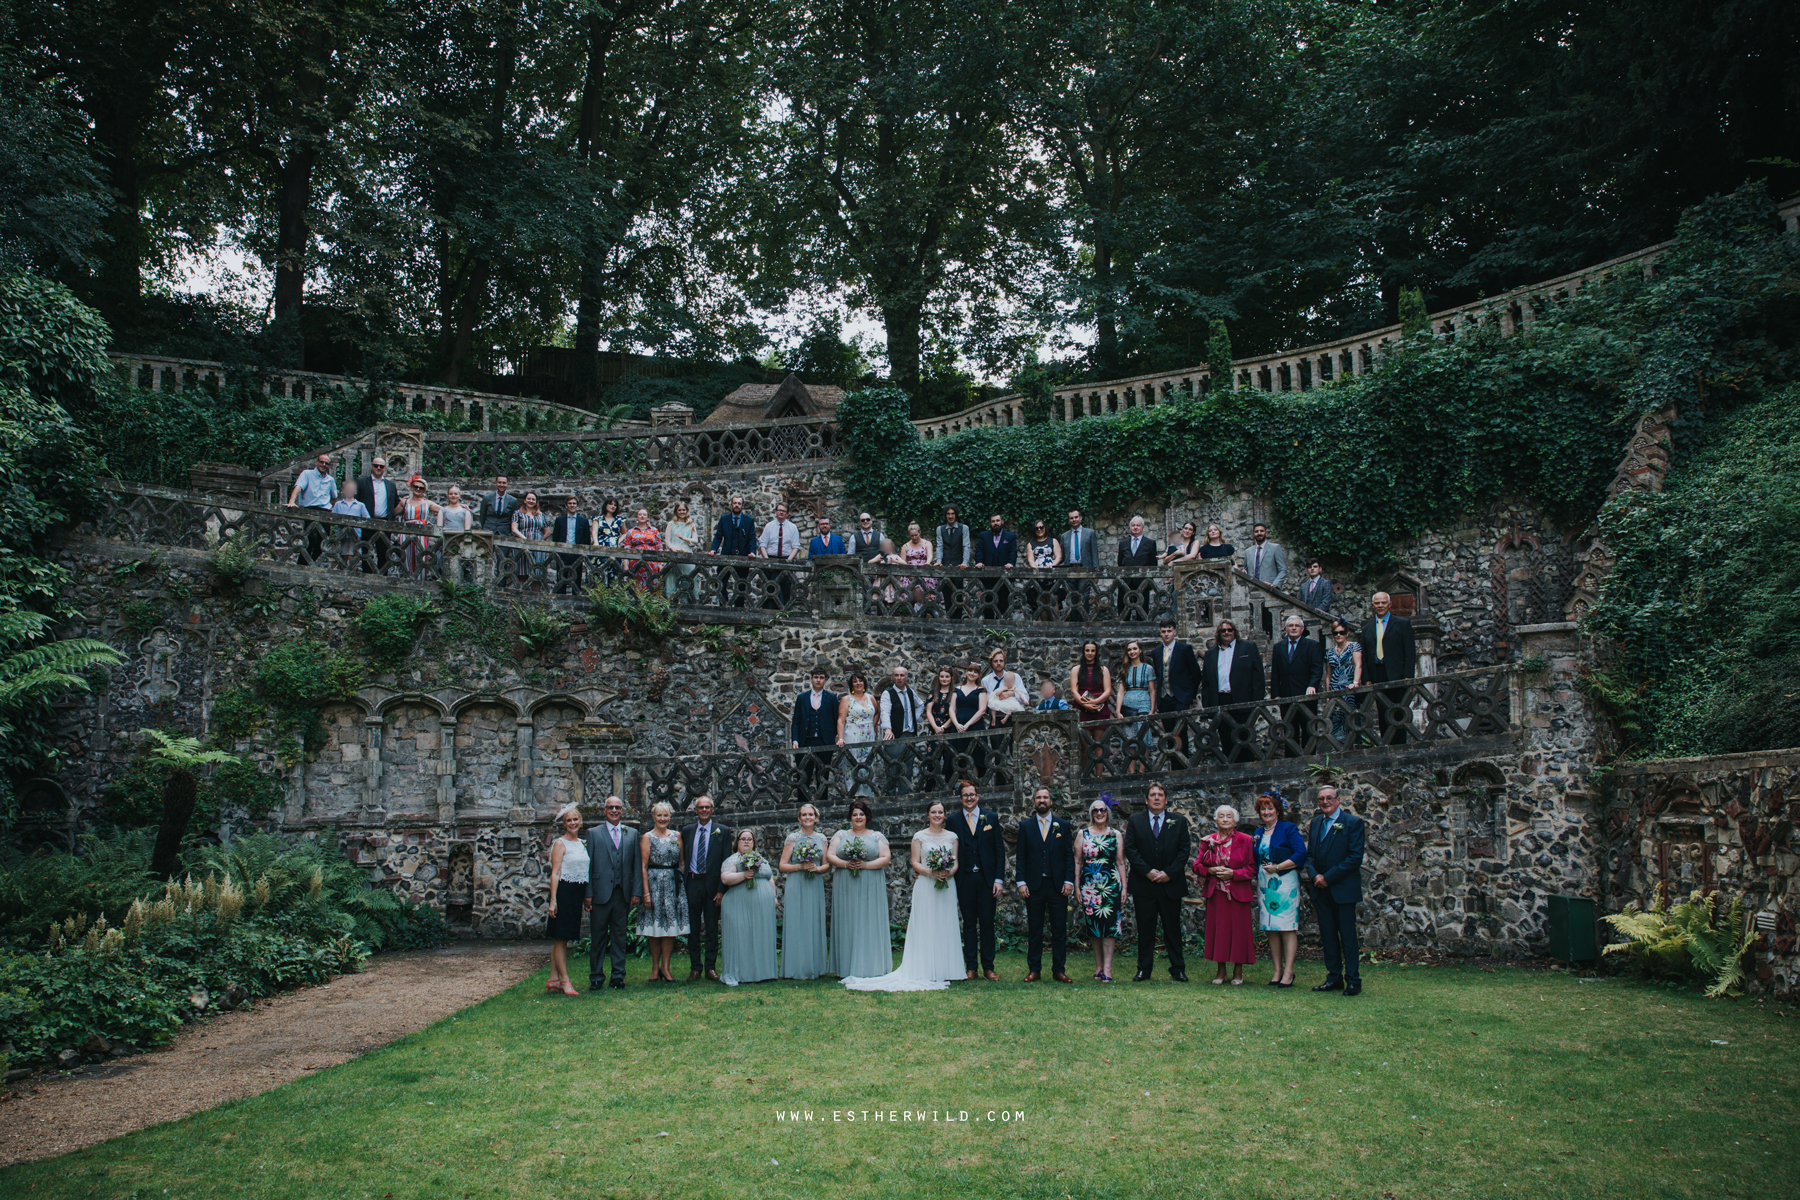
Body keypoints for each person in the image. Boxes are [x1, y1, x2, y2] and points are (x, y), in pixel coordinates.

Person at [842, 800, 964, 991]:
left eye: (940, 812)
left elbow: (955, 862)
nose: (937, 815)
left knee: (946, 922)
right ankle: (925, 968)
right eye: (934, 812)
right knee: (926, 925)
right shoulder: (919, 836)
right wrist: (932, 873)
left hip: (947, 884)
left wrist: (948, 872)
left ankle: (948, 969)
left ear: (945, 815)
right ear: (927, 815)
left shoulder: (953, 837)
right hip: (926, 884)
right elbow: (915, 863)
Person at [1124, 782, 1189, 982]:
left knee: (1173, 928)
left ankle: (1178, 968)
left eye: (1160, 794)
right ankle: (1144, 969)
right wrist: (1148, 872)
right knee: (1145, 929)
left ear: (1166, 800)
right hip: (1145, 885)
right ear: (1146, 800)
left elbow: (1184, 850)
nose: (1157, 798)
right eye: (1153, 795)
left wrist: (1169, 873)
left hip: (1171, 884)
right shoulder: (1135, 820)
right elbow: (1131, 849)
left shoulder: (1178, 821)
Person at [1307, 785, 1366, 996]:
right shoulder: (1315, 823)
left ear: (1338, 800)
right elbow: (1309, 855)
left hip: (1342, 889)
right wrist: (1315, 876)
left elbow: (1354, 858)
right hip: (1320, 889)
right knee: (1328, 936)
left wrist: (1328, 878)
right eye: (1321, 798)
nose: (1325, 802)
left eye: (1329, 798)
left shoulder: (1353, 823)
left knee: (1347, 936)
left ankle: (1353, 980)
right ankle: (1333, 978)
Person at [945, 780, 1005, 981]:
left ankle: (989, 967)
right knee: (969, 923)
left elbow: (999, 851)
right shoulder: (952, 820)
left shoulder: (991, 818)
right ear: (960, 798)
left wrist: (999, 879)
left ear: (977, 797)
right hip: (964, 879)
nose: (969, 798)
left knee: (987, 923)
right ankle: (971, 967)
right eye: (965, 795)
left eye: (972, 794)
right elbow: (945, 848)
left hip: (987, 879)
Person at [1015, 786, 1075, 983]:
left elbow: (1068, 855)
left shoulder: (1063, 826)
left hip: (1058, 885)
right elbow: (1021, 856)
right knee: (1035, 929)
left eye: (1045, 797)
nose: (1042, 800)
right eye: (1038, 797)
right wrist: (1021, 882)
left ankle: (1059, 969)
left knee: (1059, 929)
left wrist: (1069, 881)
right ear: (1034, 801)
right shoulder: (1026, 826)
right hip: (1034, 885)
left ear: (1051, 801)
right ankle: (1034, 969)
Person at [827, 799, 893, 979]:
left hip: (870, 883)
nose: (858, 817)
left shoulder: (877, 836)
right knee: (847, 921)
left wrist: (865, 865)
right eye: (855, 814)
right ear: (850, 816)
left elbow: (886, 858)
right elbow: (830, 855)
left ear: (867, 816)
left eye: (861, 814)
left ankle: (872, 965)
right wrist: (845, 864)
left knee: (868, 921)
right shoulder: (840, 835)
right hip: (845, 883)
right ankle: (846, 967)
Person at [582, 795, 642, 991]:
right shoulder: (593, 833)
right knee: (598, 937)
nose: (614, 811)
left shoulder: (632, 833)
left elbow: (636, 866)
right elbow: (588, 866)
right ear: (604, 809)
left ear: (622, 810)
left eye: (617, 807)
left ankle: (618, 976)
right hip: (600, 893)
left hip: (622, 894)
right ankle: (597, 977)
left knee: (619, 936)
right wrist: (588, 893)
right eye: (610, 808)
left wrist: (636, 892)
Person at [1194, 803, 1255, 984]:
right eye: (1222, 816)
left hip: (1238, 892)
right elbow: (1196, 866)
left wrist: (1233, 874)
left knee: (1239, 931)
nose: (1225, 819)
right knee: (1218, 931)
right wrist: (1211, 871)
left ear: (1235, 821)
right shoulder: (1208, 841)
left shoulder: (1246, 840)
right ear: (1216, 820)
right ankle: (1221, 971)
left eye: (1229, 816)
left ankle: (1238, 971)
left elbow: (1252, 868)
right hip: (1217, 893)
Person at [1252, 792, 1307, 988]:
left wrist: (1278, 867)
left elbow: (1301, 853)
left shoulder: (1288, 828)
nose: (1266, 812)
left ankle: (1289, 971)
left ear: (1277, 810)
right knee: (1271, 928)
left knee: (1286, 926)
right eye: (1263, 809)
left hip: (1285, 883)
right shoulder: (1258, 833)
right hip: (1265, 884)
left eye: (1270, 808)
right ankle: (1277, 970)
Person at [679, 795, 732, 982]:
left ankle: (710, 967)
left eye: (707, 807)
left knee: (711, 928)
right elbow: (683, 858)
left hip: (712, 885)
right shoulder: (686, 831)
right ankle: (695, 967)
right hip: (693, 882)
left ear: (712, 809)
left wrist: (721, 890)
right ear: (695, 810)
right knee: (692, 928)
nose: (704, 810)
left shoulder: (722, 831)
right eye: (700, 807)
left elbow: (726, 862)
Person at [636, 801, 688, 983]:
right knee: (654, 927)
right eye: (659, 815)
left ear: (670, 817)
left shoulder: (677, 836)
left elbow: (682, 863)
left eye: (666, 815)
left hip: (673, 885)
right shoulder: (647, 837)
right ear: (653, 817)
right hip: (654, 884)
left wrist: (682, 886)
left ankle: (666, 968)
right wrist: (646, 893)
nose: (663, 819)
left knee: (670, 928)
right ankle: (654, 967)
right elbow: (642, 866)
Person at [718, 830, 779, 985]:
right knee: (742, 937)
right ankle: (741, 973)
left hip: (762, 907)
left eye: (749, 839)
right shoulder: (733, 859)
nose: (746, 842)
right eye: (743, 839)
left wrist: (773, 897)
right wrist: (743, 875)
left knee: (760, 937)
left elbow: (769, 877)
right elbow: (725, 878)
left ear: (754, 842)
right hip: (739, 905)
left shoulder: (760, 859)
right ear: (737, 842)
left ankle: (762, 972)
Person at [1078, 797, 1128, 981]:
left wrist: (1124, 888)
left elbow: (1121, 862)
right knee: (1094, 926)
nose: (1099, 813)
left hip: (1110, 885)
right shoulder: (1083, 834)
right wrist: (1076, 887)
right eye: (1096, 810)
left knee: (1110, 926)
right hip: (1089, 886)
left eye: (1103, 810)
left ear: (1108, 813)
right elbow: (1077, 861)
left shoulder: (1116, 835)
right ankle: (1098, 967)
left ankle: (1107, 968)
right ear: (1091, 814)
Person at [778, 804, 830, 979]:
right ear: (799, 818)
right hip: (797, 882)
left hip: (814, 882)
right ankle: (795, 967)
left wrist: (818, 869)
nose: (807, 817)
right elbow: (782, 865)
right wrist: (800, 866)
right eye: (804, 815)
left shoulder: (822, 838)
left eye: (811, 814)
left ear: (816, 818)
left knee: (813, 921)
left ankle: (815, 966)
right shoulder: (793, 838)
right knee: (797, 921)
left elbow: (827, 864)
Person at [1202, 619, 1265, 763]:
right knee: (1226, 739)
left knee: (1245, 737)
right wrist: (1208, 706)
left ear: (1234, 632)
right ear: (1219, 633)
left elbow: (1258, 677)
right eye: (1223, 630)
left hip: (1243, 700)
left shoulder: (1248, 647)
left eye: (1229, 630)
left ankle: (1248, 771)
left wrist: (1255, 702)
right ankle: (1230, 771)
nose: (1227, 633)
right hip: (1221, 700)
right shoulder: (1211, 654)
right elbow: (1206, 682)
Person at [1360, 591, 1417, 744]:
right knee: (1383, 712)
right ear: (1372, 605)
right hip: (1377, 674)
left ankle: (1401, 747)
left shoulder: (1402, 624)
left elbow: (1410, 652)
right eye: (1377, 603)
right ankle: (1387, 746)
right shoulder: (1367, 629)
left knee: (1399, 711)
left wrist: (1408, 676)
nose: (1380, 606)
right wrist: (1366, 679)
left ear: (1389, 604)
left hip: (1397, 674)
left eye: (1383, 602)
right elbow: (1364, 656)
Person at [545, 804, 588, 995]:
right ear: (564, 823)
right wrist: (553, 900)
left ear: (580, 821)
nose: (573, 823)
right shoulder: (560, 844)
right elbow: (555, 873)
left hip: (577, 892)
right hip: (563, 891)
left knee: (562, 938)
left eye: (575, 819)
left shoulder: (582, 843)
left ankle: (553, 979)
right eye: (569, 820)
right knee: (561, 938)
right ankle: (565, 981)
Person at [1269, 614, 1324, 753]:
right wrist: (1276, 694)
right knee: (1289, 730)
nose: (1294, 628)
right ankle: (1291, 761)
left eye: (1297, 626)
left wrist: (1312, 686)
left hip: (1307, 695)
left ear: (1302, 628)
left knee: (1308, 729)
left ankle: (1310, 759)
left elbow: (1317, 669)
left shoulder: (1312, 645)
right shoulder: (1278, 647)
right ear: (1285, 628)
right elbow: (1275, 673)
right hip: (1287, 696)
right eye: (1290, 625)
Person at [790, 667, 839, 802]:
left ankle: (823, 804)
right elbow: (796, 721)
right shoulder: (802, 698)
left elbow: (837, 719)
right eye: (816, 677)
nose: (818, 680)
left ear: (825, 680)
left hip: (824, 742)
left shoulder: (832, 698)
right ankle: (802, 806)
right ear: (811, 679)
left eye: (821, 677)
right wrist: (795, 739)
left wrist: (833, 737)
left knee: (822, 775)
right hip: (805, 741)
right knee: (803, 775)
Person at [287, 452, 337, 563]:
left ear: (329, 466)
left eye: (326, 463)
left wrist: (330, 508)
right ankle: (302, 565)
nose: (323, 464)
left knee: (322, 542)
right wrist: (291, 501)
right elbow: (298, 487)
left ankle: (314, 565)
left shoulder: (330, 480)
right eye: (321, 462)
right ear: (317, 462)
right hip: (310, 510)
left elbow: (334, 497)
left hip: (325, 512)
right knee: (310, 539)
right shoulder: (307, 474)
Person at [354, 456, 399, 574]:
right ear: (371, 466)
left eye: (381, 466)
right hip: (367, 522)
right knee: (366, 550)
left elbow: (396, 503)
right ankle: (367, 576)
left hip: (384, 522)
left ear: (385, 468)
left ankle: (382, 577)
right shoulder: (361, 482)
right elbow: (356, 501)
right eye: (376, 466)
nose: (378, 468)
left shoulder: (390, 485)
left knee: (384, 552)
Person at [711, 493, 757, 608]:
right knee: (721, 582)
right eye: (735, 503)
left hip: (742, 556)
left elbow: (752, 538)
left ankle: (739, 608)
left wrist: (752, 551)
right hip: (726, 555)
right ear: (731, 505)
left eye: (739, 503)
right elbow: (718, 536)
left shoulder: (748, 521)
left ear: (742, 506)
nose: (737, 505)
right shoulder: (724, 519)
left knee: (741, 585)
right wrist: (713, 550)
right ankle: (724, 606)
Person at [836, 671, 878, 795]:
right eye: (855, 681)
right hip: (852, 735)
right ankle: (853, 795)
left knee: (868, 765)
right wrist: (840, 738)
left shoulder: (870, 697)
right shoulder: (846, 699)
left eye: (860, 681)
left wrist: (871, 726)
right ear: (851, 685)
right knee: (852, 766)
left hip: (868, 737)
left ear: (864, 682)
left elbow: (876, 713)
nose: (858, 683)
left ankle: (867, 795)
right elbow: (841, 720)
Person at [1115, 640, 1156, 767]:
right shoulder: (1124, 670)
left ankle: (1143, 771)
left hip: (1143, 702)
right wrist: (1117, 710)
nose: (1132, 652)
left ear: (1140, 650)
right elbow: (1121, 692)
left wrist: (1152, 710)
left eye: (1134, 649)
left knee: (1143, 739)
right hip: (1128, 705)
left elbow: (1152, 690)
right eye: (1129, 650)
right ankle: (1131, 771)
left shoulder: (1148, 668)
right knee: (1130, 739)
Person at [1324, 619, 1364, 743]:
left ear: (1347, 633)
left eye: (1342, 632)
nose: (1339, 635)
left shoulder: (1354, 646)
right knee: (1336, 720)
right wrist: (1328, 693)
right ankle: (1339, 749)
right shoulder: (1330, 652)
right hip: (1335, 689)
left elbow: (1358, 665)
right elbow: (1328, 675)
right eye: (1335, 633)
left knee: (1352, 719)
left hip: (1349, 687)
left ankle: (1354, 748)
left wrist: (1356, 682)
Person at [1152, 619, 1201, 716]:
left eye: (1169, 631)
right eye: (1163, 631)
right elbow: (1158, 674)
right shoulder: (1156, 652)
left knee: (1181, 729)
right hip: (1164, 699)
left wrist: (1189, 695)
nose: (1166, 634)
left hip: (1181, 698)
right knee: (1168, 729)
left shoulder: (1184, 649)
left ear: (1175, 632)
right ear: (1160, 633)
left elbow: (1196, 674)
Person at [972, 513, 1017, 619]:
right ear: (990, 523)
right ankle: (988, 630)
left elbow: (1013, 552)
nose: (995, 523)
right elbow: (979, 550)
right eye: (993, 521)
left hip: (1004, 576)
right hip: (988, 577)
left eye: (997, 520)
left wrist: (1011, 563)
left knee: (1003, 604)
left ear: (1002, 521)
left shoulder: (1010, 537)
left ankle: (1002, 630)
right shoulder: (984, 536)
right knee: (987, 603)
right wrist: (979, 562)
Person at [758, 501, 802, 608]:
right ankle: (768, 613)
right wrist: (767, 560)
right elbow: (762, 544)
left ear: (787, 513)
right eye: (779, 510)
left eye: (784, 511)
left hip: (786, 560)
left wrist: (788, 561)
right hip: (770, 560)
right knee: (769, 588)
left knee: (785, 588)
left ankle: (783, 613)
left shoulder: (792, 527)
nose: (781, 513)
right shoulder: (769, 526)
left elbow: (795, 546)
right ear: (775, 512)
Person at [949, 662, 990, 779]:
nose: (972, 673)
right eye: (970, 671)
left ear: (978, 675)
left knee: (974, 757)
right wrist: (957, 724)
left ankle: (974, 786)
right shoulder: (957, 689)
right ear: (966, 672)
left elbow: (982, 710)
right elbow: (952, 709)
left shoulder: (981, 690)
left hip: (974, 726)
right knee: (960, 757)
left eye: (975, 672)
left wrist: (967, 724)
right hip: (958, 727)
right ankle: (964, 787)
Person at [479, 476, 520, 584]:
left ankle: (501, 586)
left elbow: (513, 518)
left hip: (504, 533)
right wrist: (486, 529)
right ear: (496, 483)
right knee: (484, 559)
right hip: (488, 531)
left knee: (502, 562)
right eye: (499, 482)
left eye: (504, 483)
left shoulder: (512, 500)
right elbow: (482, 516)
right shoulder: (487, 498)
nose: (502, 485)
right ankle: (483, 585)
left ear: (507, 484)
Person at [550, 495, 595, 595]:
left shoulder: (583, 521)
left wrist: (583, 553)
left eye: (574, 503)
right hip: (563, 553)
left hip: (577, 553)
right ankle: (561, 601)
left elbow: (586, 538)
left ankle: (576, 602)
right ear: (566, 506)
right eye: (570, 503)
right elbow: (555, 538)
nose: (572, 505)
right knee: (561, 578)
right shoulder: (559, 520)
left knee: (576, 578)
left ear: (577, 506)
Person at [924, 666, 959, 785]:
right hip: (934, 729)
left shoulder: (955, 693)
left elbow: (954, 712)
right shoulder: (933, 692)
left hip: (949, 729)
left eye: (947, 676)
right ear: (938, 678)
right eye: (942, 676)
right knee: (932, 759)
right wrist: (935, 727)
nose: (944, 679)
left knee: (950, 759)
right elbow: (928, 711)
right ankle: (930, 789)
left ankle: (949, 788)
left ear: (951, 678)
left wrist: (944, 727)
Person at [399, 476, 440, 577]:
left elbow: (444, 510)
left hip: (422, 533)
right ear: (412, 487)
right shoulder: (404, 502)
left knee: (422, 557)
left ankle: (421, 581)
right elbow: (392, 512)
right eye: (415, 486)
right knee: (407, 557)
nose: (418, 489)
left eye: (421, 488)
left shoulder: (427, 503)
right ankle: (408, 581)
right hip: (406, 532)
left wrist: (460, 506)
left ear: (424, 490)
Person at [511, 491, 550, 588]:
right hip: (522, 546)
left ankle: (536, 599)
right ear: (524, 500)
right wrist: (526, 540)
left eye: (533, 499)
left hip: (537, 548)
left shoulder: (541, 515)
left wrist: (539, 540)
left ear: (536, 502)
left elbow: (547, 532)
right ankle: (521, 598)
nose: (531, 501)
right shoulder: (518, 513)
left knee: (537, 573)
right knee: (522, 572)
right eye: (529, 499)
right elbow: (514, 529)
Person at [1070, 639, 1113, 727]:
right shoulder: (1076, 670)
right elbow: (1074, 691)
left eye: (1093, 651)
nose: (1090, 653)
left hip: (1099, 708)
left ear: (1096, 653)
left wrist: (1095, 702)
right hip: (1082, 708)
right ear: (1083, 652)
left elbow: (1108, 691)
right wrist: (1085, 705)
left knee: (1100, 740)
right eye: (1087, 650)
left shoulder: (1104, 670)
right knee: (1083, 739)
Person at [1023, 519, 1061, 617]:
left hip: (1052, 572)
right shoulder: (1030, 544)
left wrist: (1052, 565)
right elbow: (1030, 560)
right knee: (1042, 599)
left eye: (1041, 527)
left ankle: (1055, 625)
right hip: (1038, 573)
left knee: (1053, 598)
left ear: (1045, 528)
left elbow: (1059, 556)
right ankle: (1044, 627)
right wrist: (1036, 569)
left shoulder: (1053, 541)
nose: (1039, 529)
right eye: (1036, 528)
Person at [619, 507, 664, 591]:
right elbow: (627, 548)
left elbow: (659, 547)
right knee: (636, 588)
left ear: (647, 518)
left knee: (652, 586)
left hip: (652, 563)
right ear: (637, 517)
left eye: (644, 515)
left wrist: (661, 563)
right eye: (640, 514)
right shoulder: (631, 531)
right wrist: (626, 564)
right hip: (635, 563)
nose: (642, 516)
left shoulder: (654, 530)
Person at [981, 647, 1028, 726]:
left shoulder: (1015, 677)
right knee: (995, 738)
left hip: (1013, 715)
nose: (998, 663)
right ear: (991, 663)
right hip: (996, 717)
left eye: (1001, 661)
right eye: (995, 661)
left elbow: (1026, 698)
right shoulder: (985, 680)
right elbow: (986, 702)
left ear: (1004, 662)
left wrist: (1011, 694)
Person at [662, 500, 698, 602]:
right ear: (676, 511)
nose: (682, 512)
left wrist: (683, 538)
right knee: (673, 578)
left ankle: (686, 602)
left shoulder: (691, 524)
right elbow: (667, 540)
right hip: (675, 552)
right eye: (679, 510)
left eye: (684, 510)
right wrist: (673, 549)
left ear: (687, 511)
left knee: (687, 578)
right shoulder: (671, 524)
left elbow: (695, 540)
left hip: (687, 553)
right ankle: (672, 602)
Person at [331, 481, 370, 570]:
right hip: (341, 535)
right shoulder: (338, 504)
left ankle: (352, 575)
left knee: (353, 558)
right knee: (342, 556)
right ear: (343, 491)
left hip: (355, 535)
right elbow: (333, 518)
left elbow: (367, 519)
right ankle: (342, 576)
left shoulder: (360, 505)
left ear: (355, 491)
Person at [594, 496, 625, 585]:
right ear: (606, 505)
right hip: (600, 547)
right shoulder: (598, 519)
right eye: (610, 504)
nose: (613, 506)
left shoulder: (619, 520)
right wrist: (596, 542)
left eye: (615, 505)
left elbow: (624, 533)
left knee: (614, 574)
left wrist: (618, 541)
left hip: (614, 549)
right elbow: (594, 532)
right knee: (600, 574)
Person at [1245, 523, 1287, 589]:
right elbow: (1246, 570)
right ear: (1253, 534)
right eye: (1256, 531)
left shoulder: (1275, 548)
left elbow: (1283, 569)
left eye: (1262, 531)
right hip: (1252, 590)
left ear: (1266, 532)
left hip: (1270, 590)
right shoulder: (1248, 551)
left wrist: (1274, 585)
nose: (1259, 533)